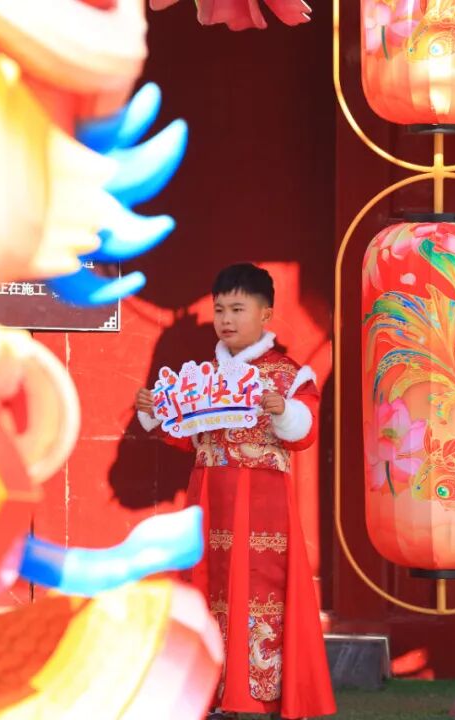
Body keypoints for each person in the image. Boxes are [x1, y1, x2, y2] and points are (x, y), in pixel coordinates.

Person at [136, 263, 336, 720]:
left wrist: (283, 411)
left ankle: (263, 695)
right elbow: (184, 435)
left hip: (263, 502)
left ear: (265, 314)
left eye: (238, 309)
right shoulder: (200, 375)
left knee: (263, 589)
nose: (226, 319)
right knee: (208, 586)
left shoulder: (288, 375)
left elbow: (303, 432)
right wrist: (155, 410)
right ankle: (212, 692)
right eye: (220, 309)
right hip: (208, 495)